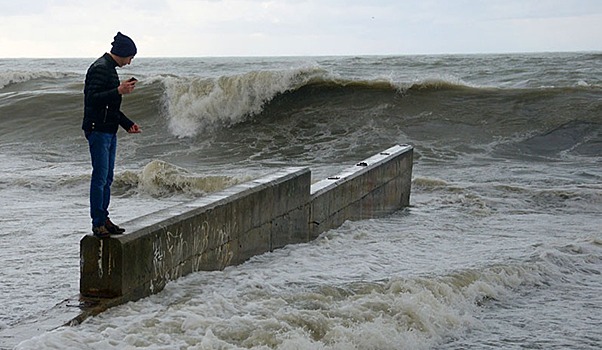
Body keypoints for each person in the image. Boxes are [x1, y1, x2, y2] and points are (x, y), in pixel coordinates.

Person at [82, 32, 141, 238]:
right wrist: (118, 90)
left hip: (108, 129)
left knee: (107, 178)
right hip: (97, 129)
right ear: (123, 53)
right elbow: (93, 99)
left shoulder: (110, 69)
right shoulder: (100, 68)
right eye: (130, 57)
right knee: (100, 178)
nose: (130, 61)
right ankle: (98, 222)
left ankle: (103, 218)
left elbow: (110, 107)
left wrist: (127, 124)